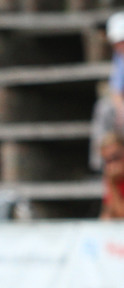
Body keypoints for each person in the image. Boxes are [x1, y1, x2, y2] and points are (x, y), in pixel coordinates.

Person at [89, 12, 124, 172]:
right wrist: (121, 109)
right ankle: (102, 164)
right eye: (116, 43)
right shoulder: (119, 57)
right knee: (103, 109)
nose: (119, 46)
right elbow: (116, 89)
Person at [98, 131, 124, 219]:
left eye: (116, 157)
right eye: (107, 161)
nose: (112, 165)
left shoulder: (112, 180)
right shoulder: (114, 178)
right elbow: (107, 215)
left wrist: (112, 184)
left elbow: (121, 214)